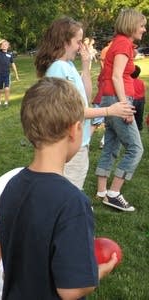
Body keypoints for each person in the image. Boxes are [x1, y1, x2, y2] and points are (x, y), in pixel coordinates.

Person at [0, 77, 118, 299]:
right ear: (75, 130)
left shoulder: (11, 186)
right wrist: (99, 271)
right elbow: (71, 290)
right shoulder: (72, 203)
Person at [34, 17, 134, 190]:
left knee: (69, 189)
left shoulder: (68, 65)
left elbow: (85, 98)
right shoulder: (58, 68)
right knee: (69, 191)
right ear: (65, 42)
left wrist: (86, 67)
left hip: (78, 141)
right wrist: (110, 110)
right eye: (78, 42)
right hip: (69, 143)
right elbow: (73, 112)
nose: (81, 46)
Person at [95, 9, 146, 211]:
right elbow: (117, 76)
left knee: (111, 145)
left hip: (111, 97)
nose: (144, 29)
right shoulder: (124, 43)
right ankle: (114, 193)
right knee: (136, 148)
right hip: (117, 98)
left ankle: (101, 191)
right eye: (141, 25)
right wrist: (125, 105)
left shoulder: (119, 42)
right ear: (131, 25)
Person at [0, 39, 19, 107]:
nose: (4, 46)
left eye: (6, 45)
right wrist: (0, 42)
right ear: (1, 46)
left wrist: (16, 75)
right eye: (2, 45)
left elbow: (13, 65)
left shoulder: (10, 55)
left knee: (6, 88)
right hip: (0, 74)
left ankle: (6, 102)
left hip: (7, 74)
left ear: (8, 46)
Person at [131, 64, 145, 131]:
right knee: (139, 115)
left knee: (131, 115)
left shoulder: (129, 81)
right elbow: (143, 91)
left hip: (133, 100)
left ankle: (131, 127)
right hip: (141, 101)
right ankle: (139, 127)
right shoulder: (141, 81)